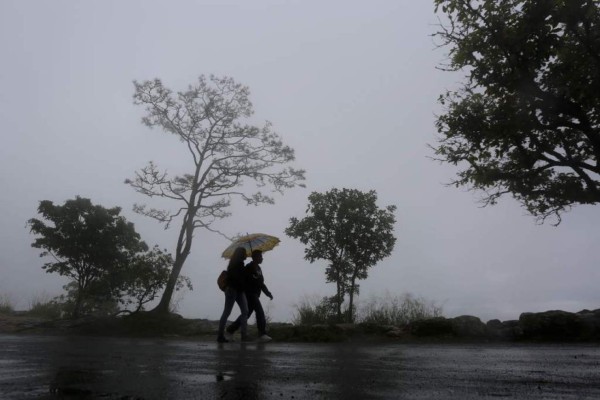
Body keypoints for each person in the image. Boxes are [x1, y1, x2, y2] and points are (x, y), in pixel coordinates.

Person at [226, 249, 273, 342]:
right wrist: (252, 277)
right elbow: (243, 280)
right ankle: (262, 334)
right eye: (260, 256)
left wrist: (268, 293)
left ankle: (230, 329)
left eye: (262, 256)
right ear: (254, 257)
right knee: (259, 311)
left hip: (256, 294)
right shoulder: (248, 267)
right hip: (249, 294)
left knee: (246, 314)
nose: (262, 258)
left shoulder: (259, 269)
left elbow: (261, 283)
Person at [217, 247, 249, 343]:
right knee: (227, 312)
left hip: (239, 290)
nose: (246, 255)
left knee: (245, 311)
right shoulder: (236, 264)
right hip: (232, 290)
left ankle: (244, 335)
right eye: (245, 253)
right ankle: (220, 336)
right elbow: (236, 278)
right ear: (241, 254)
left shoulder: (238, 264)